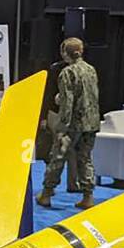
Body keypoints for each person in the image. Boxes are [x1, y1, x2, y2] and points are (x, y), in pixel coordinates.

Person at [37, 37, 101, 210]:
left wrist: (61, 126)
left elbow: (68, 101)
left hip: (73, 124)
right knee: (85, 159)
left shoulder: (67, 73)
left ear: (66, 53)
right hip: (91, 123)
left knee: (57, 157)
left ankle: (46, 194)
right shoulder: (91, 70)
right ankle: (88, 196)